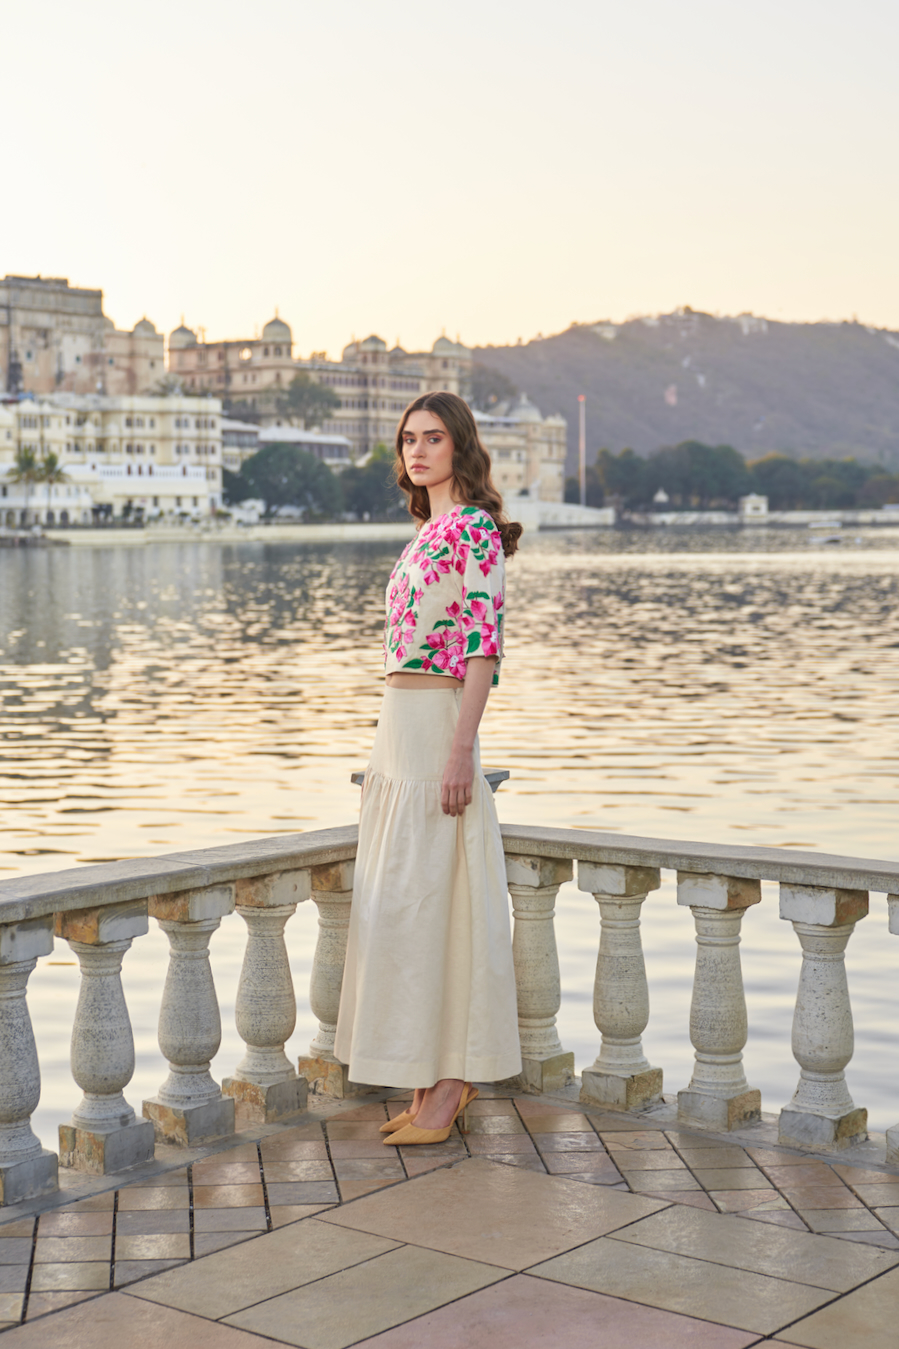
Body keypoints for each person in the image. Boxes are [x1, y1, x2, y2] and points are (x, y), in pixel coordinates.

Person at [334, 390, 523, 1144]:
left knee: (439, 902)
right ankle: (425, 1077)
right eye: (408, 438)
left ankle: (451, 1084)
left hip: (439, 722)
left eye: (433, 438)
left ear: (460, 448)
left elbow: (483, 646)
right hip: (396, 726)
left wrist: (459, 748)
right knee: (406, 904)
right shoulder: (424, 532)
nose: (417, 451)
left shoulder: (473, 530)